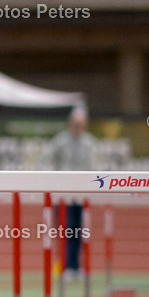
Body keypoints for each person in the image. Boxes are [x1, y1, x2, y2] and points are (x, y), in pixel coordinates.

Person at [48, 105, 97, 279]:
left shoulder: (89, 143)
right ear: (71, 123)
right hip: (63, 193)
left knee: (79, 230)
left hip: (81, 194)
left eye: (81, 124)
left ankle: (76, 266)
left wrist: (89, 187)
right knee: (65, 229)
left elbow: (92, 167)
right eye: (76, 123)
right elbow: (49, 161)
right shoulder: (60, 141)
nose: (78, 127)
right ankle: (66, 265)